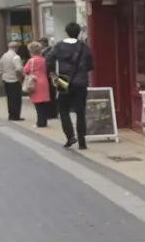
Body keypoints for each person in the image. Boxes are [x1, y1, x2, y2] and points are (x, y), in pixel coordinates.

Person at [45, 21, 94, 149]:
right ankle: (82, 142)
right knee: (80, 111)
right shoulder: (84, 47)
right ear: (79, 33)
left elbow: (48, 60)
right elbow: (90, 66)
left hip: (63, 79)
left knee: (63, 109)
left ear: (66, 32)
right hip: (81, 81)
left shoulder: (59, 46)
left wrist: (52, 74)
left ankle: (70, 136)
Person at [22, 41, 51, 126]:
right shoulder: (43, 60)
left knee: (38, 104)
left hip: (35, 82)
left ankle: (40, 122)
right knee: (44, 103)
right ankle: (44, 121)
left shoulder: (31, 60)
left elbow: (25, 70)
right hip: (44, 81)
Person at [0, 41, 27, 121]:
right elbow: (19, 69)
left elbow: (0, 69)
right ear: (16, 48)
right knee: (16, 99)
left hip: (6, 79)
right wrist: (22, 77)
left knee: (10, 99)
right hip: (14, 80)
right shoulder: (16, 57)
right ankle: (16, 116)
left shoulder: (3, 56)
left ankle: (10, 115)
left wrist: (1, 79)